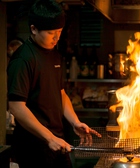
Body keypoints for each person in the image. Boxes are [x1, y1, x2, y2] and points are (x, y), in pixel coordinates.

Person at [7, 0, 101, 168]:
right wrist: (49, 137)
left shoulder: (54, 54)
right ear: (34, 29)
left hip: (57, 140)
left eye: (59, 32)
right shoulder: (23, 59)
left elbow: (61, 93)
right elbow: (16, 106)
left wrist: (74, 122)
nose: (57, 38)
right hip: (33, 146)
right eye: (51, 33)